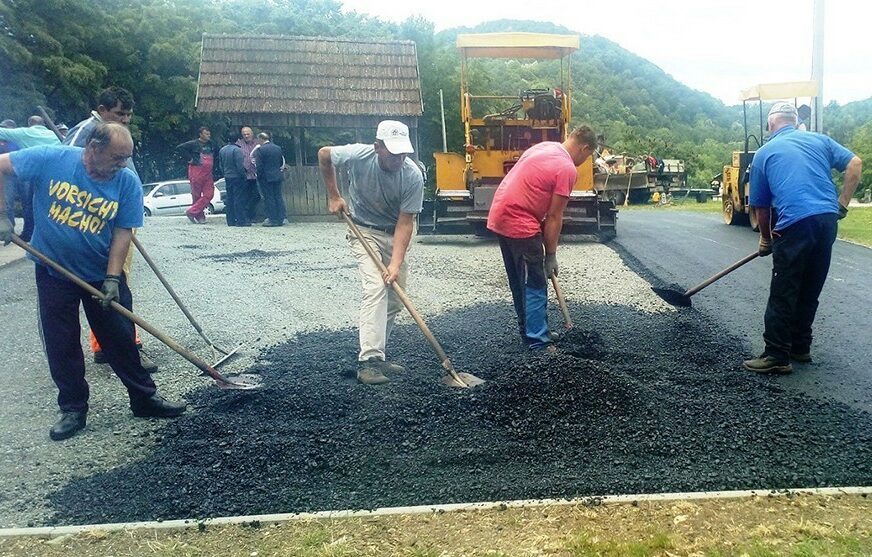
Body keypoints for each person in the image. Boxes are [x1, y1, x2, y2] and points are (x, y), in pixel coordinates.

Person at [0, 122, 186, 441]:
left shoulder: (125, 181)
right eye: (117, 157)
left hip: (101, 272)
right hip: (53, 271)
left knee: (121, 338)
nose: (123, 164)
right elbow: (2, 167)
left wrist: (113, 277)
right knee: (62, 342)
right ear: (93, 148)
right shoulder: (51, 159)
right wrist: (2, 213)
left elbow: (123, 232)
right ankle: (73, 408)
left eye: (126, 157)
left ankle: (144, 398)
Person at [743, 102, 862, 374]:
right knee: (810, 285)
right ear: (795, 122)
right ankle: (800, 346)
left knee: (784, 288)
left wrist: (765, 240)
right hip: (827, 220)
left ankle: (776, 355)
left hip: (796, 221)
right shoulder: (819, 140)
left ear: (772, 125)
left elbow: (761, 208)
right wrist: (842, 203)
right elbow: (855, 163)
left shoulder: (764, 152)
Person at [318, 120, 424, 385]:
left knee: (395, 299)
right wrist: (334, 195)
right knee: (376, 287)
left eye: (404, 152)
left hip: (393, 234)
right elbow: (324, 155)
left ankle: (380, 356)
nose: (400, 157)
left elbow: (405, 223)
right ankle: (368, 361)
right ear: (378, 147)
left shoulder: (412, 175)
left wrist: (396, 264)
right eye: (393, 151)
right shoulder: (359, 154)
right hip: (363, 230)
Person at [65, 86, 157, 373]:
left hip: (120, 217)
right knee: (113, 284)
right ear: (102, 110)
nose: (125, 120)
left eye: (128, 115)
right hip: (100, 223)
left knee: (114, 283)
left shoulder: (112, 132)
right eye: (119, 114)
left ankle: (108, 346)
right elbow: (70, 174)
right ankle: (127, 348)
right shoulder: (86, 133)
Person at [486, 125, 598, 352]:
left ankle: (530, 330)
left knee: (520, 281)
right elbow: (554, 216)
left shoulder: (545, 147)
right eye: (588, 156)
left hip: (500, 215)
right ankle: (539, 342)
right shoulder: (567, 168)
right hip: (519, 221)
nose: (586, 161)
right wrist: (551, 255)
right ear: (585, 148)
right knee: (535, 282)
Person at [0, 116, 59, 242]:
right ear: (44, 124)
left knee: (24, 204)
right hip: (53, 177)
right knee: (39, 206)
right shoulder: (53, 134)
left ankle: (22, 233)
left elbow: (2, 132)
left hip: (30, 173)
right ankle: (35, 234)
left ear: (29, 124)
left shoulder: (26, 132)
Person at [175, 127, 218, 224]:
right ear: (200, 134)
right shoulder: (193, 143)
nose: (208, 136)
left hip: (208, 173)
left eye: (209, 134)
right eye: (206, 134)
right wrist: (190, 159)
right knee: (196, 195)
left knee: (209, 194)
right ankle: (200, 217)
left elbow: (217, 153)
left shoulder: (212, 144)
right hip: (196, 171)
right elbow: (180, 148)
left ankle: (191, 211)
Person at [252, 132, 286, 227]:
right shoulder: (277, 148)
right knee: (278, 197)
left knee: (269, 198)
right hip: (277, 176)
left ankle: (272, 219)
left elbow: (259, 166)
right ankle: (281, 218)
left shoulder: (260, 150)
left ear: (261, 139)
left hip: (266, 178)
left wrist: (259, 176)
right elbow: (280, 162)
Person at [219, 131, 249, 226]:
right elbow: (239, 166)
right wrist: (244, 176)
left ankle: (230, 221)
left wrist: (225, 173)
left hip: (227, 176)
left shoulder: (222, 150)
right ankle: (241, 221)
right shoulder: (237, 150)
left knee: (229, 198)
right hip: (237, 177)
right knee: (239, 199)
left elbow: (221, 165)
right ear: (237, 140)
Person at [237, 126, 260, 223]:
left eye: (248, 134)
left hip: (256, 174)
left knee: (257, 195)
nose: (246, 136)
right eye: (244, 134)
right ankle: (247, 217)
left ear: (252, 134)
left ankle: (249, 213)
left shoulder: (258, 143)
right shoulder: (238, 144)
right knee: (245, 196)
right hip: (244, 176)